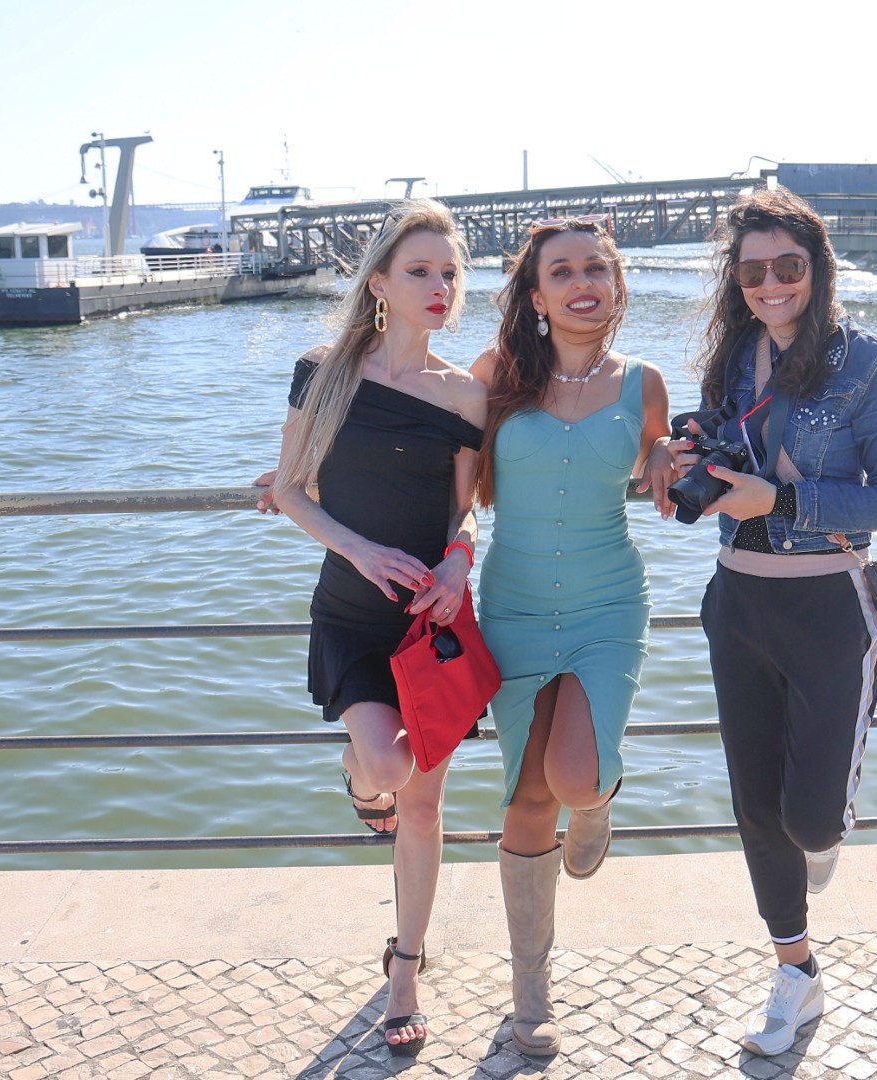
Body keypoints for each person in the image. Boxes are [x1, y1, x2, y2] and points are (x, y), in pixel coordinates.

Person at [671, 187, 877, 1056]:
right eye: (753, 273)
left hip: (827, 606)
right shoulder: (733, 361)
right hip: (737, 602)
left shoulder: (870, 367)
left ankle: (822, 833)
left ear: (818, 269)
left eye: (788, 266)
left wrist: (781, 499)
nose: (770, 285)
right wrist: (687, 453)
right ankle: (796, 973)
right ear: (736, 282)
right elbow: (723, 455)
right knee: (755, 808)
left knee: (809, 824)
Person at [265, 200, 485, 1057]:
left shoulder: (466, 395)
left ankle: (405, 969)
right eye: (420, 271)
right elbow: (289, 489)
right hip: (353, 614)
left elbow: (466, 512)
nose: (440, 286)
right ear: (381, 283)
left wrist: (459, 563)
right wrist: (357, 549)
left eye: (450, 273)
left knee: (423, 806)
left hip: (430, 625)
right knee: (387, 768)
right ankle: (361, 787)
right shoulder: (324, 371)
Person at [470, 217, 674, 1057]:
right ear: (535, 294)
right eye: (562, 271)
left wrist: (665, 457)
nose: (582, 283)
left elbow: (663, 454)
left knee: (577, 778)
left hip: (607, 603)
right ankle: (531, 992)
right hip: (512, 607)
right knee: (527, 800)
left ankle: (596, 804)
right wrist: (307, 468)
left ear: (617, 284)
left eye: (596, 268)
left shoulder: (644, 383)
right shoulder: (495, 375)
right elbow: (438, 473)